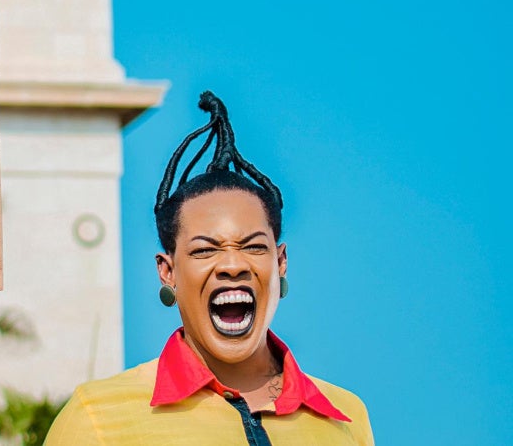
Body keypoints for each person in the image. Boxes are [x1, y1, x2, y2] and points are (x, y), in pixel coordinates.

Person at [43, 91, 374, 445]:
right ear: (167, 271)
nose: (232, 265)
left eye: (253, 247)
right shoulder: (97, 415)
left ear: (280, 263)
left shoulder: (345, 417)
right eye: (205, 250)